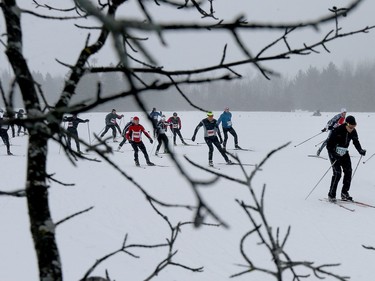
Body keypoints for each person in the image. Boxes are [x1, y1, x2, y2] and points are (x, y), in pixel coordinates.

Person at [326, 115, 366, 202]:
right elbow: (329, 145)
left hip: (344, 152)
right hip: (333, 152)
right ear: (346, 124)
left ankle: (344, 193)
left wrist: (360, 150)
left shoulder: (353, 131)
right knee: (337, 173)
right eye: (351, 127)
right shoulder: (337, 130)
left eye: (354, 126)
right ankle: (331, 194)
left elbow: (355, 141)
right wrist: (334, 154)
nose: (352, 128)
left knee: (348, 171)